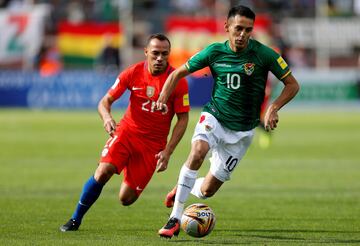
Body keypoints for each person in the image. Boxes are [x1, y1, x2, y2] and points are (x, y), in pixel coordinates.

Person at [156, 5, 300, 238]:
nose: (243, 34)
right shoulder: (214, 52)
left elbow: (293, 84)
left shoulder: (264, 54)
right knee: (197, 152)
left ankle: (184, 186)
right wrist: (163, 95)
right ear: (227, 27)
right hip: (215, 116)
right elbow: (176, 73)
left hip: (242, 132)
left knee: (206, 191)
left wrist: (273, 107)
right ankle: (174, 218)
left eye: (248, 30)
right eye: (238, 28)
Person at [60, 33, 190, 232]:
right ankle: (75, 219)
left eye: (165, 54)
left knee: (126, 199)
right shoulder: (133, 72)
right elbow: (104, 102)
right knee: (104, 171)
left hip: (152, 146)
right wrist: (107, 118)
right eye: (155, 53)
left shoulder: (177, 81)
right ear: (146, 52)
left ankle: (127, 166)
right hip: (127, 134)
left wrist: (168, 151)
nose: (160, 58)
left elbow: (183, 119)